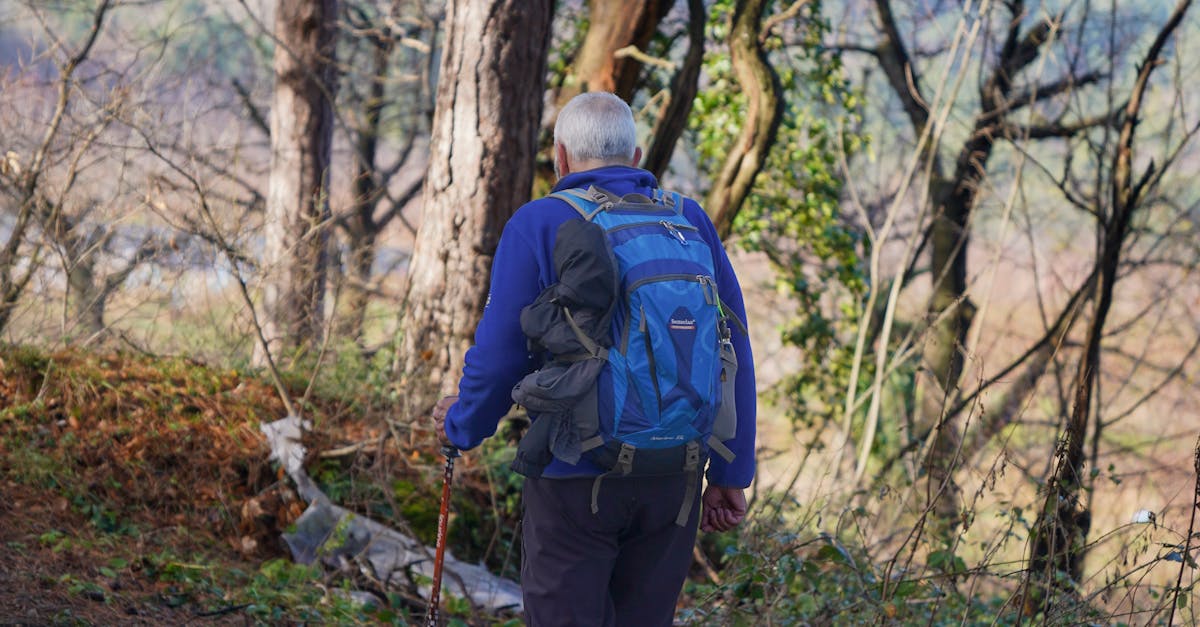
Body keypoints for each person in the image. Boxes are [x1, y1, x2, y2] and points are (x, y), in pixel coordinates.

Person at [432, 91, 756, 627]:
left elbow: (499, 357)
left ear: (560, 157)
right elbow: (733, 346)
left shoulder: (540, 222)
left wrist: (460, 426)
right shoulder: (688, 219)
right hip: (674, 480)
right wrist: (731, 469)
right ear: (635, 158)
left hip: (574, 476)